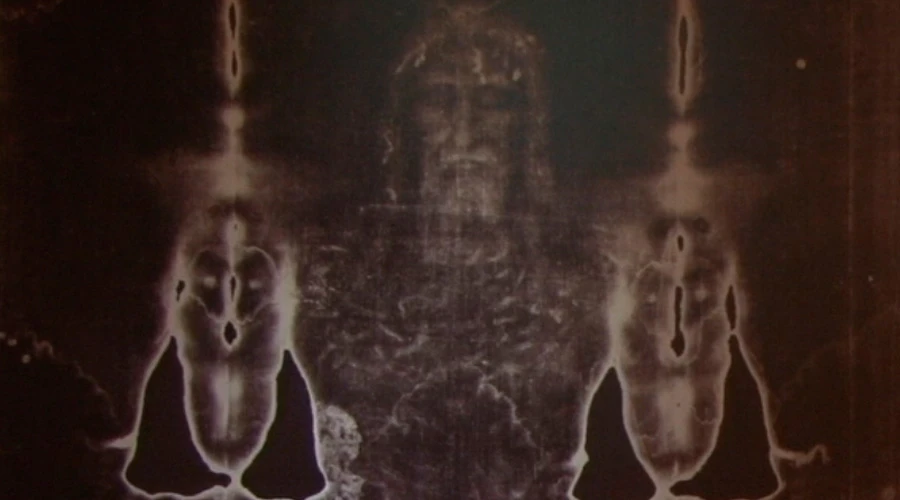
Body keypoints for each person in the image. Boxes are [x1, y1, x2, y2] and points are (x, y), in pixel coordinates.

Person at [297, 3, 611, 498]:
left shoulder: (580, 287)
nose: (466, 130)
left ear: (525, 123)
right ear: (405, 120)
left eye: (494, 100)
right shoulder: (340, 281)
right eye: (440, 98)